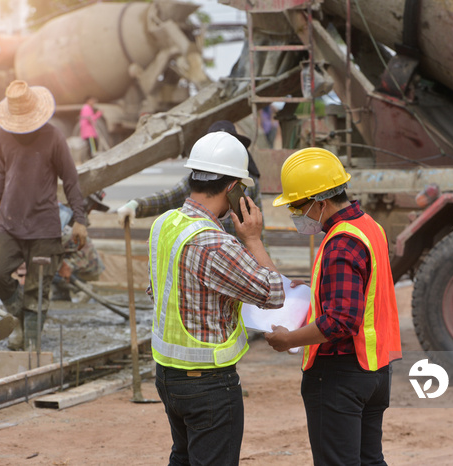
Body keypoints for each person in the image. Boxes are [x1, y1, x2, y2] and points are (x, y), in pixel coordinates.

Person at [150, 131, 285, 465]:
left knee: (183, 457)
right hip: (208, 384)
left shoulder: (165, 223)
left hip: (167, 375)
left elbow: (159, 289)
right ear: (232, 188)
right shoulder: (214, 243)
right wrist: (253, 239)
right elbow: (274, 293)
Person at [265, 147, 402, 465]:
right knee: (370, 460)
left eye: (297, 206)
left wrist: (288, 339)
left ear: (320, 202)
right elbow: (363, 291)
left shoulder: (341, 242)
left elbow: (341, 320)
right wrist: (317, 289)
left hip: (340, 375)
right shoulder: (368, 226)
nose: (296, 215)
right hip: (375, 370)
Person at [0, 80, 88, 351]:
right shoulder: (1, 136)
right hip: (9, 223)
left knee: (37, 288)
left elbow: (71, 180)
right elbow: (4, 175)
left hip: (43, 226)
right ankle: (18, 318)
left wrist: (80, 219)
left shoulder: (53, 137)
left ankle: (30, 344)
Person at [115, 120, 263, 238]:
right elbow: (167, 198)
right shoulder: (198, 179)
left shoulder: (250, 183)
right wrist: (136, 205)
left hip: (239, 254)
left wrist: (256, 245)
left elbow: (257, 225)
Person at [51, 196, 107, 302]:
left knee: (49, 267)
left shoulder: (69, 220)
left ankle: (83, 290)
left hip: (85, 262)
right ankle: (60, 293)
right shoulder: (65, 217)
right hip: (73, 258)